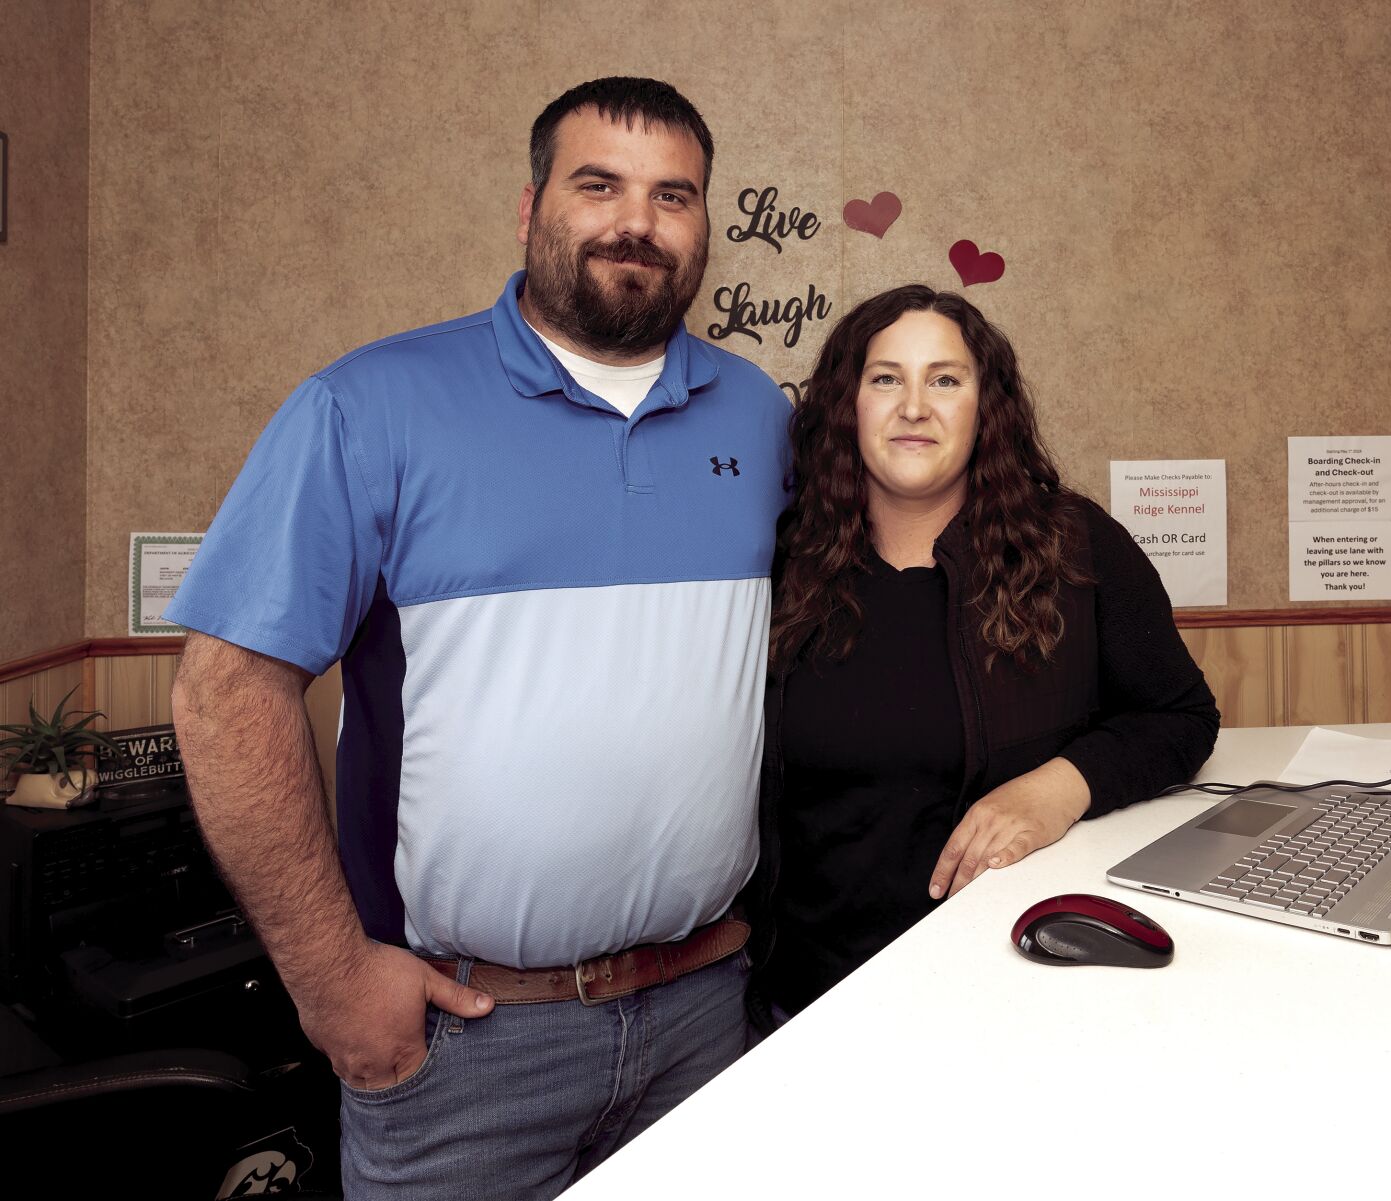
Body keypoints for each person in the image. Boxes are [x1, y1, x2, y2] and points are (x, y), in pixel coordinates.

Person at [166, 78, 791, 1198]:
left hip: (709, 1015)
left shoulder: (760, 415)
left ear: (704, 225)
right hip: (466, 1043)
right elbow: (226, 695)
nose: (635, 221)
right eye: (597, 184)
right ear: (529, 205)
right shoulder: (368, 406)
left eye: (674, 195)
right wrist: (332, 981)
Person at [749, 285, 1220, 1021]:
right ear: (847, 404)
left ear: (984, 404)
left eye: (944, 378)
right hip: (805, 1001)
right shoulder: (782, 562)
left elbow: (1181, 715)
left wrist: (1055, 789)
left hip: (1010, 994)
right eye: (885, 378)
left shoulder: (1074, 546)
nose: (914, 406)